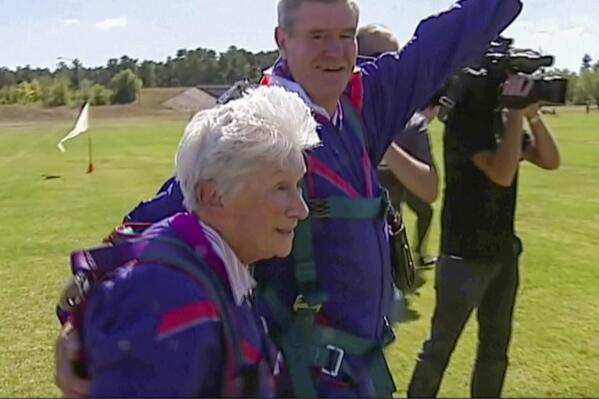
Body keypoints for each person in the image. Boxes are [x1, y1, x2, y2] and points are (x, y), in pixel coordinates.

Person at [57, 1, 524, 397]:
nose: (336, 52)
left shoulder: (363, 102)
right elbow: (143, 231)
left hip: (365, 374)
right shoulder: (253, 127)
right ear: (282, 39)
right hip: (300, 379)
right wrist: (78, 321)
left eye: (346, 35)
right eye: (318, 36)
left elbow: (449, 38)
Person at [56, 86, 319, 397]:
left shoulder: (206, 267)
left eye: (297, 185)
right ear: (213, 196)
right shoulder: (175, 301)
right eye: (280, 187)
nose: (301, 209)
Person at [407, 74, 560, 398]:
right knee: (440, 347)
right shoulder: (465, 122)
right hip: (463, 255)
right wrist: (517, 116)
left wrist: (531, 113)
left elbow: (549, 160)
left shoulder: (504, 120)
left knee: (495, 349)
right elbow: (502, 174)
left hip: (503, 253)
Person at [357, 23, 439, 267]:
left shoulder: (411, 123)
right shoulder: (326, 114)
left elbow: (428, 189)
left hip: (385, 252)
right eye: (376, 60)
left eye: (395, 61)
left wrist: (384, 142)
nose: (387, 71)